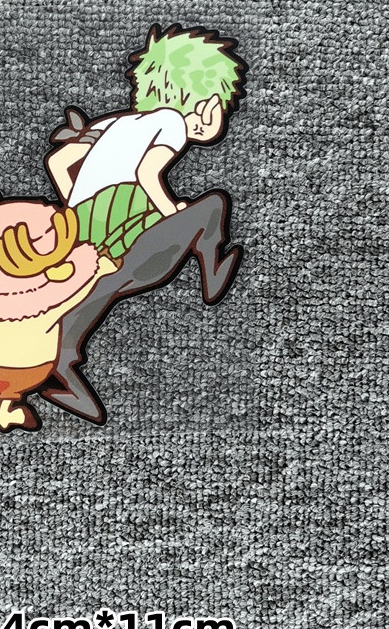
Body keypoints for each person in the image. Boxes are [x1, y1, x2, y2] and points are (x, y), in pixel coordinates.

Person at [39, 23, 247, 424]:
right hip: (129, 229)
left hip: (87, 227)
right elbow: (147, 172)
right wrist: (169, 211)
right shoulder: (172, 122)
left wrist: (76, 205)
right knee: (212, 206)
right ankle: (212, 268)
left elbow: (58, 161)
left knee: (98, 289)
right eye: (221, 110)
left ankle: (63, 371)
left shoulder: (115, 122)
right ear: (207, 106)